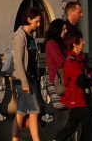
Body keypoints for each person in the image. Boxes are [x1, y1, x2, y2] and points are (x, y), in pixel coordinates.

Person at [52, 28, 92, 141]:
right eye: (81, 40)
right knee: (88, 127)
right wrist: (88, 77)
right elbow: (82, 80)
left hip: (79, 97)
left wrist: (88, 76)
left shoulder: (79, 59)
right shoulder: (71, 61)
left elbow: (91, 74)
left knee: (71, 127)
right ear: (75, 43)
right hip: (77, 98)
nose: (84, 43)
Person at [12, 8, 44, 141]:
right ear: (29, 20)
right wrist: (24, 83)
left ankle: (15, 139)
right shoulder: (20, 35)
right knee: (34, 111)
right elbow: (18, 61)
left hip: (31, 77)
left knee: (21, 112)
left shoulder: (31, 36)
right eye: (36, 21)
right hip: (23, 79)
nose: (39, 24)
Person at [44, 18, 69, 110]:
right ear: (57, 30)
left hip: (62, 79)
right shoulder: (51, 43)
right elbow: (60, 61)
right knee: (61, 108)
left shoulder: (61, 43)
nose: (66, 31)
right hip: (56, 80)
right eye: (64, 29)